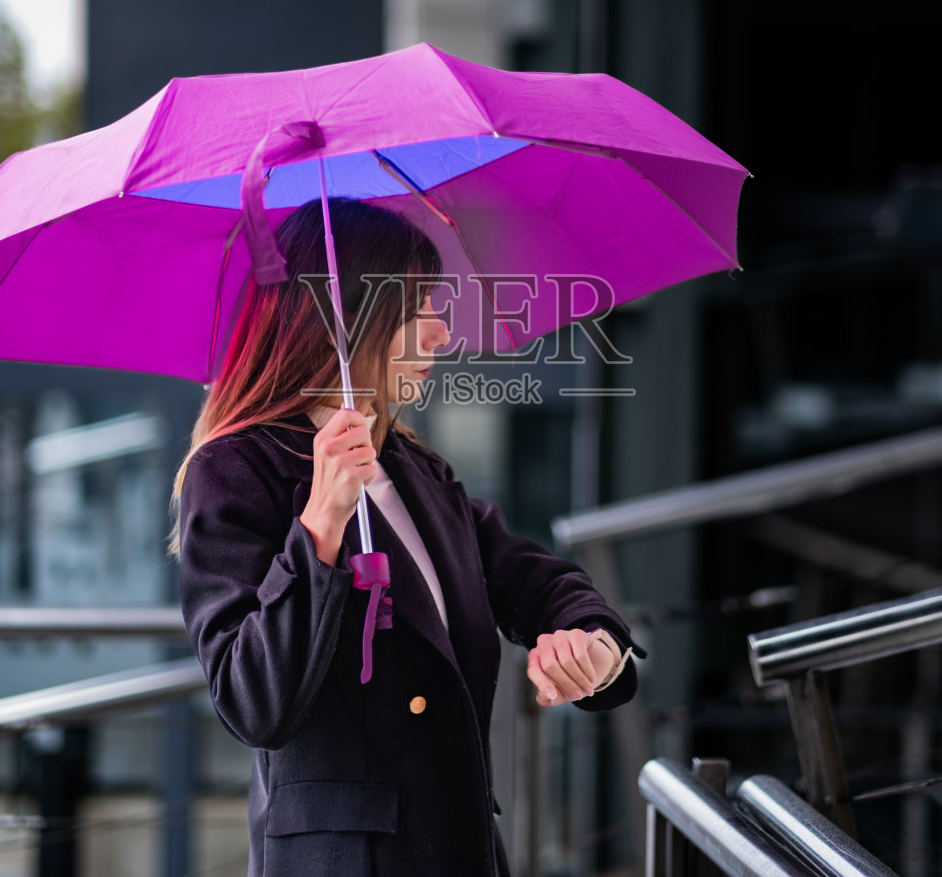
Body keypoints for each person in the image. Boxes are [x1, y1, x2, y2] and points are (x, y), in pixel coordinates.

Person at [170, 196, 645, 876]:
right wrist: (321, 524)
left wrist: (594, 644)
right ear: (348, 317)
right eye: (418, 307)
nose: (441, 333)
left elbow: (532, 577)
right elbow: (254, 701)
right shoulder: (237, 471)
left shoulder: (416, 469)